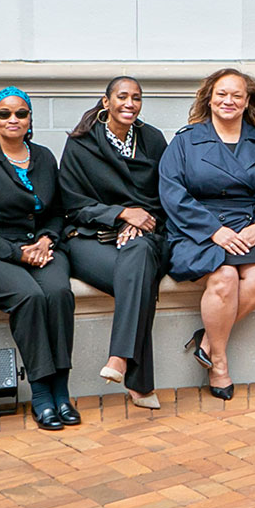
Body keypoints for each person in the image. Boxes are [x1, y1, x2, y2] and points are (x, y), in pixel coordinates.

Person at [160, 67, 255, 401]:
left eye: (237, 95)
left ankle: (207, 338)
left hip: (252, 227)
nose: (228, 101)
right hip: (198, 230)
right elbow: (172, 193)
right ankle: (218, 362)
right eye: (222, 94)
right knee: (225, 276)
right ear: (209, 98)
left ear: (248, 102)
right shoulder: (186, 141)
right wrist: (214, 231)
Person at [0, 86, 77, 430]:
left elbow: (56, 211)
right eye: (4, 113)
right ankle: (41, 394)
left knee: (58, 294)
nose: (13, 119)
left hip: (40, 247)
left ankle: (61, 391)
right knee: (29, 297)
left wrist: (45, 239)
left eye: (20, 113)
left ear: (29, 119)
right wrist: (16, 253)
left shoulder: (43, 157)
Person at [59, 75, 167, 410]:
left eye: (136, 98)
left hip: (145, 235)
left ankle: (120, 356)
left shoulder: (152, 140)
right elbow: (72, 203)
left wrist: (141, 222)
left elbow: (166, 196)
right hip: (90, 238)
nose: (130, 104)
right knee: (139, 279)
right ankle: (139, 381)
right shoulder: (82, 144)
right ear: (106, 102)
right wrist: (120, 214)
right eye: (122, 97)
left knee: (139, 258)